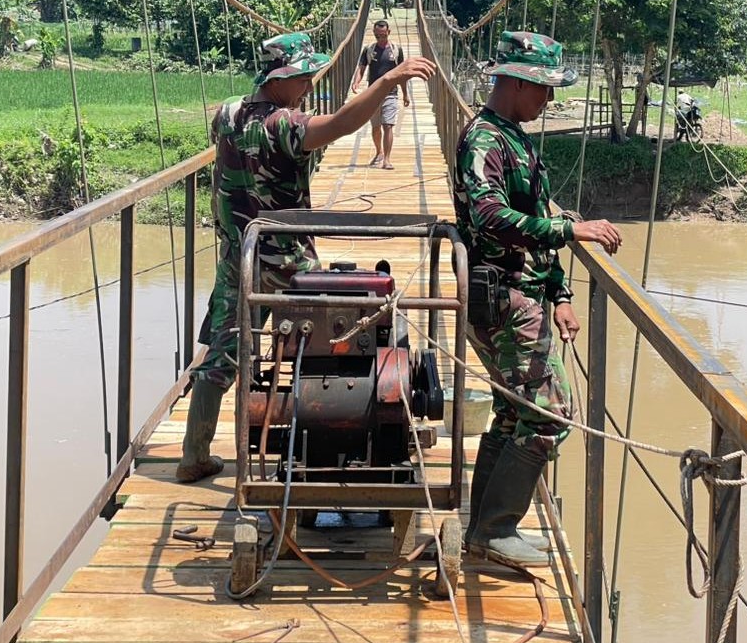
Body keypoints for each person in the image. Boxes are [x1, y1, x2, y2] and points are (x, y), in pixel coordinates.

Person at [176, 32, 434, 483]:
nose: (310, 85)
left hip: (239, 255)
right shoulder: (286, 125)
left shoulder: (225, 113)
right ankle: (328, 426)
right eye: (305, 76)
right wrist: (389, 79)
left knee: (222, 354)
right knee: (331, 334)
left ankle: (193, 454)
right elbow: (342, 125)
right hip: (288, 260)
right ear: (281, 78)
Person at [453, 30, 623, 568]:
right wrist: (571, 233)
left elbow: (539, 214)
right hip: (501, 297)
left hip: (522, 291)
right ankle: (497, 528)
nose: (549, 101)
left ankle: (485, 528)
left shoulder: (515, 136)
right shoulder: (485, 140)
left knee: (513, 412)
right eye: (543, 89)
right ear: (515, 81)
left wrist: (561, 293)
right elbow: (490, 217)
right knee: (550, 414)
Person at [350, 19, 410, 170]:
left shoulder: (396, 50)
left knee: (388, 125)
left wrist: (405, 94)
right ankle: (379, 152)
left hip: (391, 93)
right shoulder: (369, 50)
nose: (380, 38)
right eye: (377, 36)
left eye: (383, 35)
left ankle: (387, 160)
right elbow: (362, 67)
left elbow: (402, 74)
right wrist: (356, 82)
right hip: (373, 94)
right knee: (376, 127)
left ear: (388, 32)